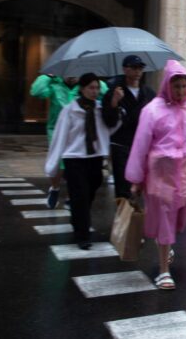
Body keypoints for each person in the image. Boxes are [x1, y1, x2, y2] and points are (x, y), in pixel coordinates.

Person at [125, 60, 186, 290]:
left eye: (184, 85)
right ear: (167, 85)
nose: (181, 91)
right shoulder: (152, 110)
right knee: (164, 221)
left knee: (179, 221)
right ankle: (164, 270)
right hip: (160, 177)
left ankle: (165, 244)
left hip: (185, 175)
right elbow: (141, 145)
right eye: (176, 86)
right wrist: (136, 180)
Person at [44, 73, 118, 250]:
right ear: (82, 89)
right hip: (74, 158)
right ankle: (83, 235)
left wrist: (114, 104)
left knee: (90, 191)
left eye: (97, 88)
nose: (94, 91)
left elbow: (112, 125)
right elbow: (60, 137)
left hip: (94, 157)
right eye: (91, 88)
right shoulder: (70, 110)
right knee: (80, 195)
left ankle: (77, 218)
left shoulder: (100, 109)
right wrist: (53, 165)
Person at [31, 73, 108, 208]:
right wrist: (47, 77)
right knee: (60, 163)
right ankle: (54, 188)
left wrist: (90, 79)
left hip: (79, 131)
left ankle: (71, 196)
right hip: (56, 129)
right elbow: (36, 92)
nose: (72, 76)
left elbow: (105, 92)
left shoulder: (83, 88)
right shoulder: (55, 85)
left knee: (72, 166)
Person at [102, 55, 156, 200]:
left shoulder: (149, 93)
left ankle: (134, 217)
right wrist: (114, 102)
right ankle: (123, 218)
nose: (138, 71)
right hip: (121, 144)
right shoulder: (114, 92)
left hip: (142, 145)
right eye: (134, 68)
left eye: (140, 68)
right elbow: (108, 121)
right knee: (123, 187)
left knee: (140, 186)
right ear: (125, 69)